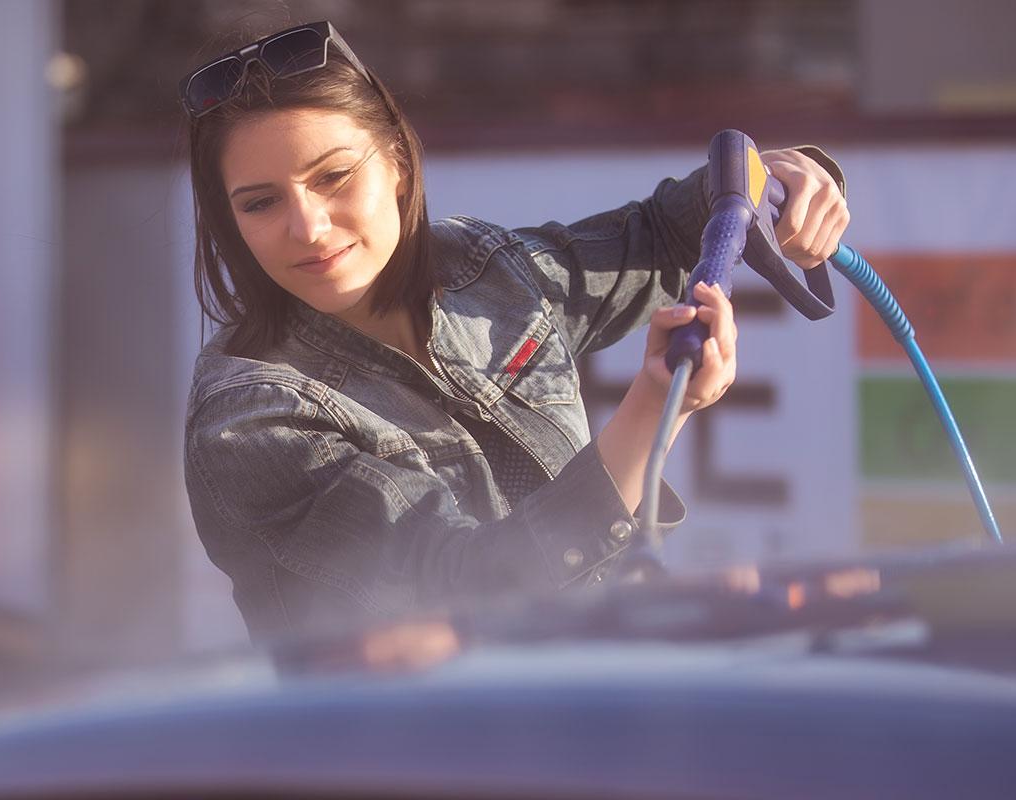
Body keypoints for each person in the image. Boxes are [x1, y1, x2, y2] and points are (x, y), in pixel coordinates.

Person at [180, 21, 849, 644]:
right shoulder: (250, 420)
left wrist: (782, 178)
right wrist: (651, 413)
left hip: (610, 703)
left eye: (333, 177)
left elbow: (664, 231)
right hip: (416, 760)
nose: (308, 227)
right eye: (261, 202)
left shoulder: (481, 268)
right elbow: (468, 587)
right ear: (229, 220)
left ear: (399, 168)